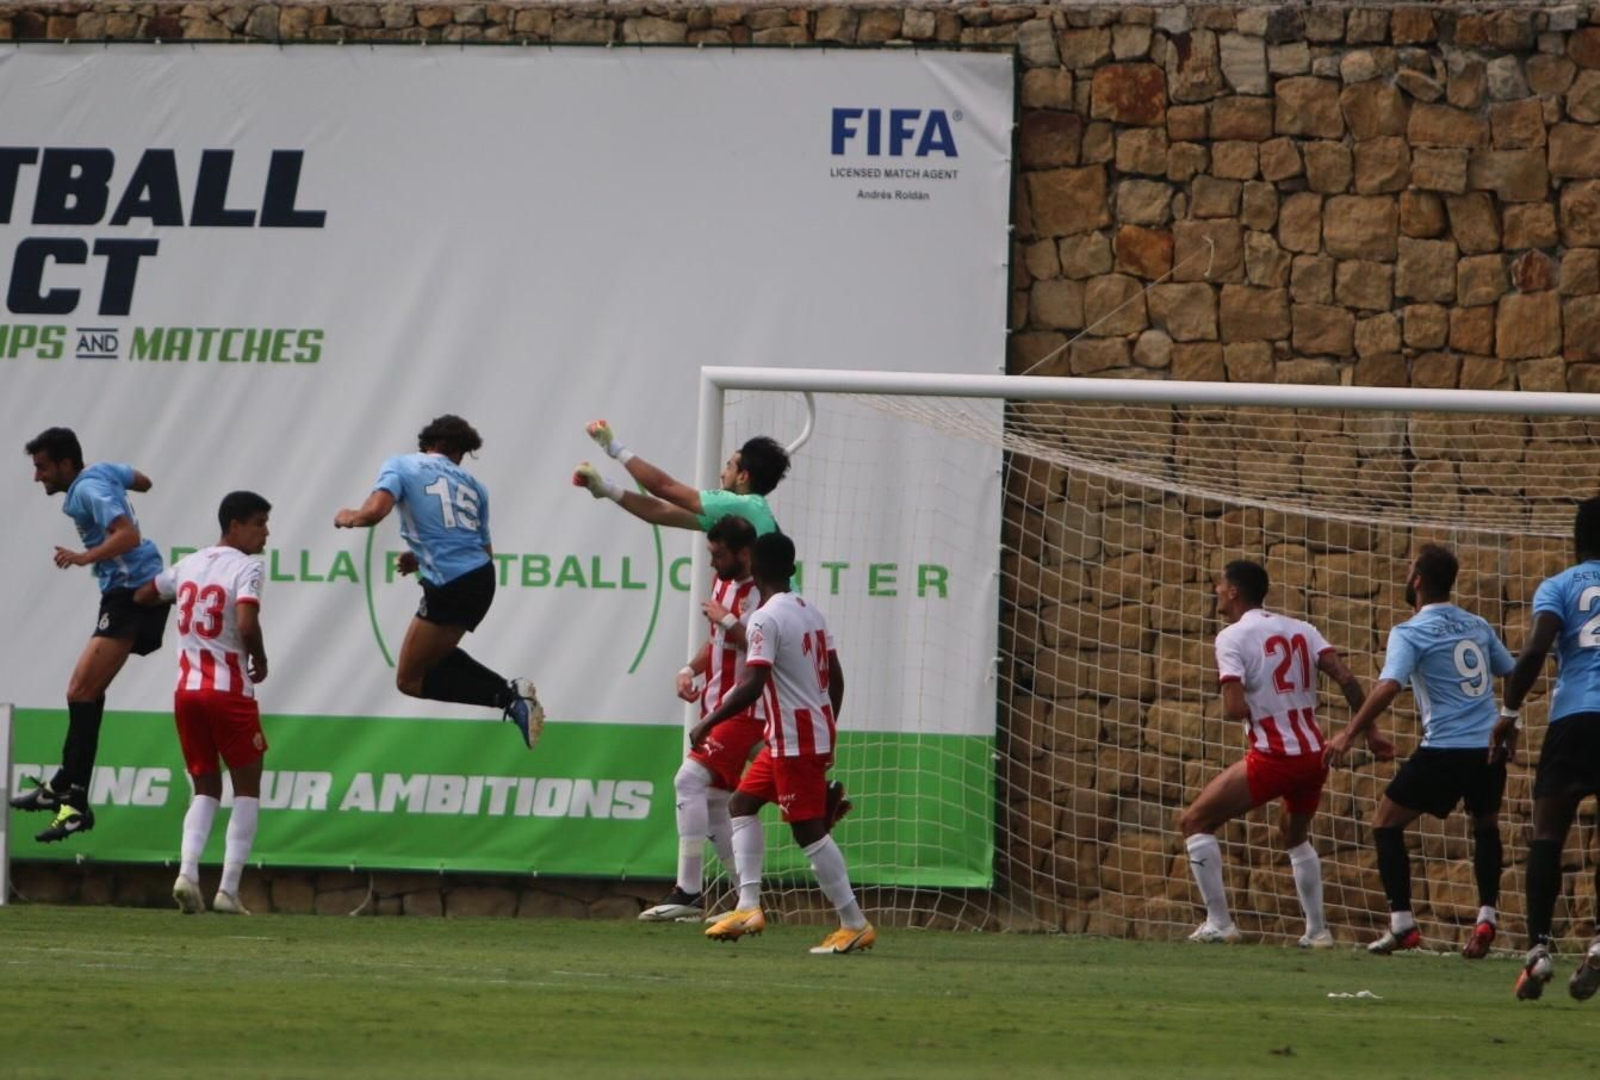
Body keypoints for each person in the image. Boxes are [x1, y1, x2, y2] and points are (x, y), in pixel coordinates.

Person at [1323, 544, 1512, 957]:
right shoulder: (1477, 624)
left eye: (1410, 571)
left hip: (1445, 749)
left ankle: (1402, 925)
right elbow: (1509, 671)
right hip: (1488, 749)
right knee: (1485, 827)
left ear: (1419, 581)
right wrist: (1507, 722)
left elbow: (1389, 685)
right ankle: (1486, 916)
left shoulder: (1409, 632)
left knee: (1385, 823)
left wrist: (1348, 734)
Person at [1178, 559, 1370, 948]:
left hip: (1275, 755)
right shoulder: (1303, 629)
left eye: (1220, 584)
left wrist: (1257, 705)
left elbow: (1234, 708)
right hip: (1315, 755)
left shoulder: (1231, 637)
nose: (1215, 589)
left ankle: (1219, 923)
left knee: (1195, 821)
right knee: (1294, 835)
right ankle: (1317, 932)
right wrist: (1368, 731)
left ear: (1233, 591)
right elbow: (1347, 678)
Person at [697, 532, 874, 955]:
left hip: (795, 741)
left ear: (754, 571)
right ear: (791, 569)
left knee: (809, 832)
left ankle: (854, 923)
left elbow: (753, 682)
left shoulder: (764, 618)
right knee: (741, 804)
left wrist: (708, 720)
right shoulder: (811, 612)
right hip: (794, 737)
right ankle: (748, 906)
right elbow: (838, 677)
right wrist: (826, 727)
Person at [334, 414, 542, 748]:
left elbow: (374, 512)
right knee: (434, 657)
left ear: (427, 443)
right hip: (480, 579)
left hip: (451, 583)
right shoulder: (475, 486)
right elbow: (481, 548)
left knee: (409, 679)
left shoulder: (402, 465)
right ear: (456, 451)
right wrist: (420, 555)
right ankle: (510, 695)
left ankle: (510, 695)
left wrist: (349, 516)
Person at [10, 428, 169, 843]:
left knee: (81, 691)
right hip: (130, 592)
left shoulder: (85, 490)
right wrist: (122, 484)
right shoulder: (101, 473)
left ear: (65, 464)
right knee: (85, 692)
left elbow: (127, 535)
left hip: (131, 597)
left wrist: (84, 556)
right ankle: (70, 791)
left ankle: (71, 795)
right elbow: (145, 481)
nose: (37, 477)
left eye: (43, 467)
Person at [134, 491, 274, 915]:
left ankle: (187, 873)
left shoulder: (189, 564)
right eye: (259, 523)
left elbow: (145, 594)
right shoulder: (248, 566)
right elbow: (247, 622)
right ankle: (228, 889)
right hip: (228, 692)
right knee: (247, 789)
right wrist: (260, 658)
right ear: (234, 526)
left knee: (205, 787)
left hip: (187, 693)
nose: (265, 532)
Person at [1492, 496, 1600, 1001]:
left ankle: (1538, 951)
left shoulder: (1559, 585)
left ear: (1577, 540)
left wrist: (1509, 713)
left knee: (1547, 836)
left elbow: (1535, 649)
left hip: (1574, 718)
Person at [640, 515, 766, 922]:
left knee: (688, 780)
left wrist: (727, 620)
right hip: (717, 706)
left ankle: (689, 892)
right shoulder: (722, 584)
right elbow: (717, 644)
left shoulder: (763, 593)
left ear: (744, 553)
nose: (713, 563)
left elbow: (762, 642)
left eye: (719, 555)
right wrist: (688, 670)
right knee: (715, 803)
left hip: (745, 708)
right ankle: (746, 901)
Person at [572, 420, 788, 536]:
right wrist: (606, 489)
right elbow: (660, 511)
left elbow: (664, 487)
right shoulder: (736, 515)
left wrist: (615, 449)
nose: (723, 473)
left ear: (743, 476)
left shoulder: (746, 505)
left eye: (729, 466)